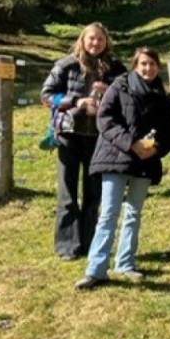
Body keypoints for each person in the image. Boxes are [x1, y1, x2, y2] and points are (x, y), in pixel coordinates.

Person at [75, 48, 170, 289]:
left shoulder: (160, 94)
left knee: (133, 213)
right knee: (109, 213)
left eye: (152, 64)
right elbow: (105, 119)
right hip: (116, 158)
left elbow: (168, 129)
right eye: (143, 64)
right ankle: (96, 269)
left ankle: (125, 263)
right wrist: (131, 144)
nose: (148, 68)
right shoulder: (119, 86)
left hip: (145, 161)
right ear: (135, 65)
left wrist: (156, 147)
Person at [41, 22, 126, 260]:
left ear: (106, 42)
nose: (95, 43)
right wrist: (75, 101)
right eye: (91, 39)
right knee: (68, 193)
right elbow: (46, 95)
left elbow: (128, 96)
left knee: (93, 193)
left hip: (100, 138)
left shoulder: (115, 68)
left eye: (100, 39)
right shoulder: (66, 65)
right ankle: (67, 246)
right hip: (69, 134)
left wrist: (109, 90)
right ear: (82, 40)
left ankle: (90, 244)